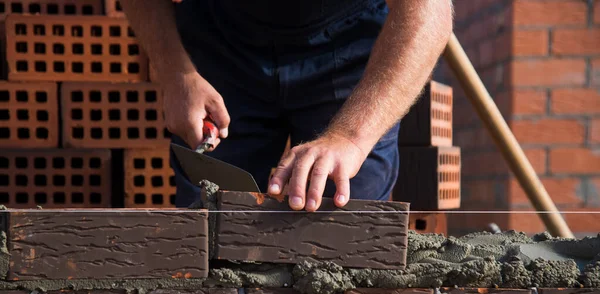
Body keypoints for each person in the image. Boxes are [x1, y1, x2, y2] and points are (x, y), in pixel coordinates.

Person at [121, 0, 453, 211]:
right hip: (221, 37)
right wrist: (177, 74)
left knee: (347, 232)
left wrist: (352, 137)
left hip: (347, 41)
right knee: (210, 227)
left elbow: (428, 12)